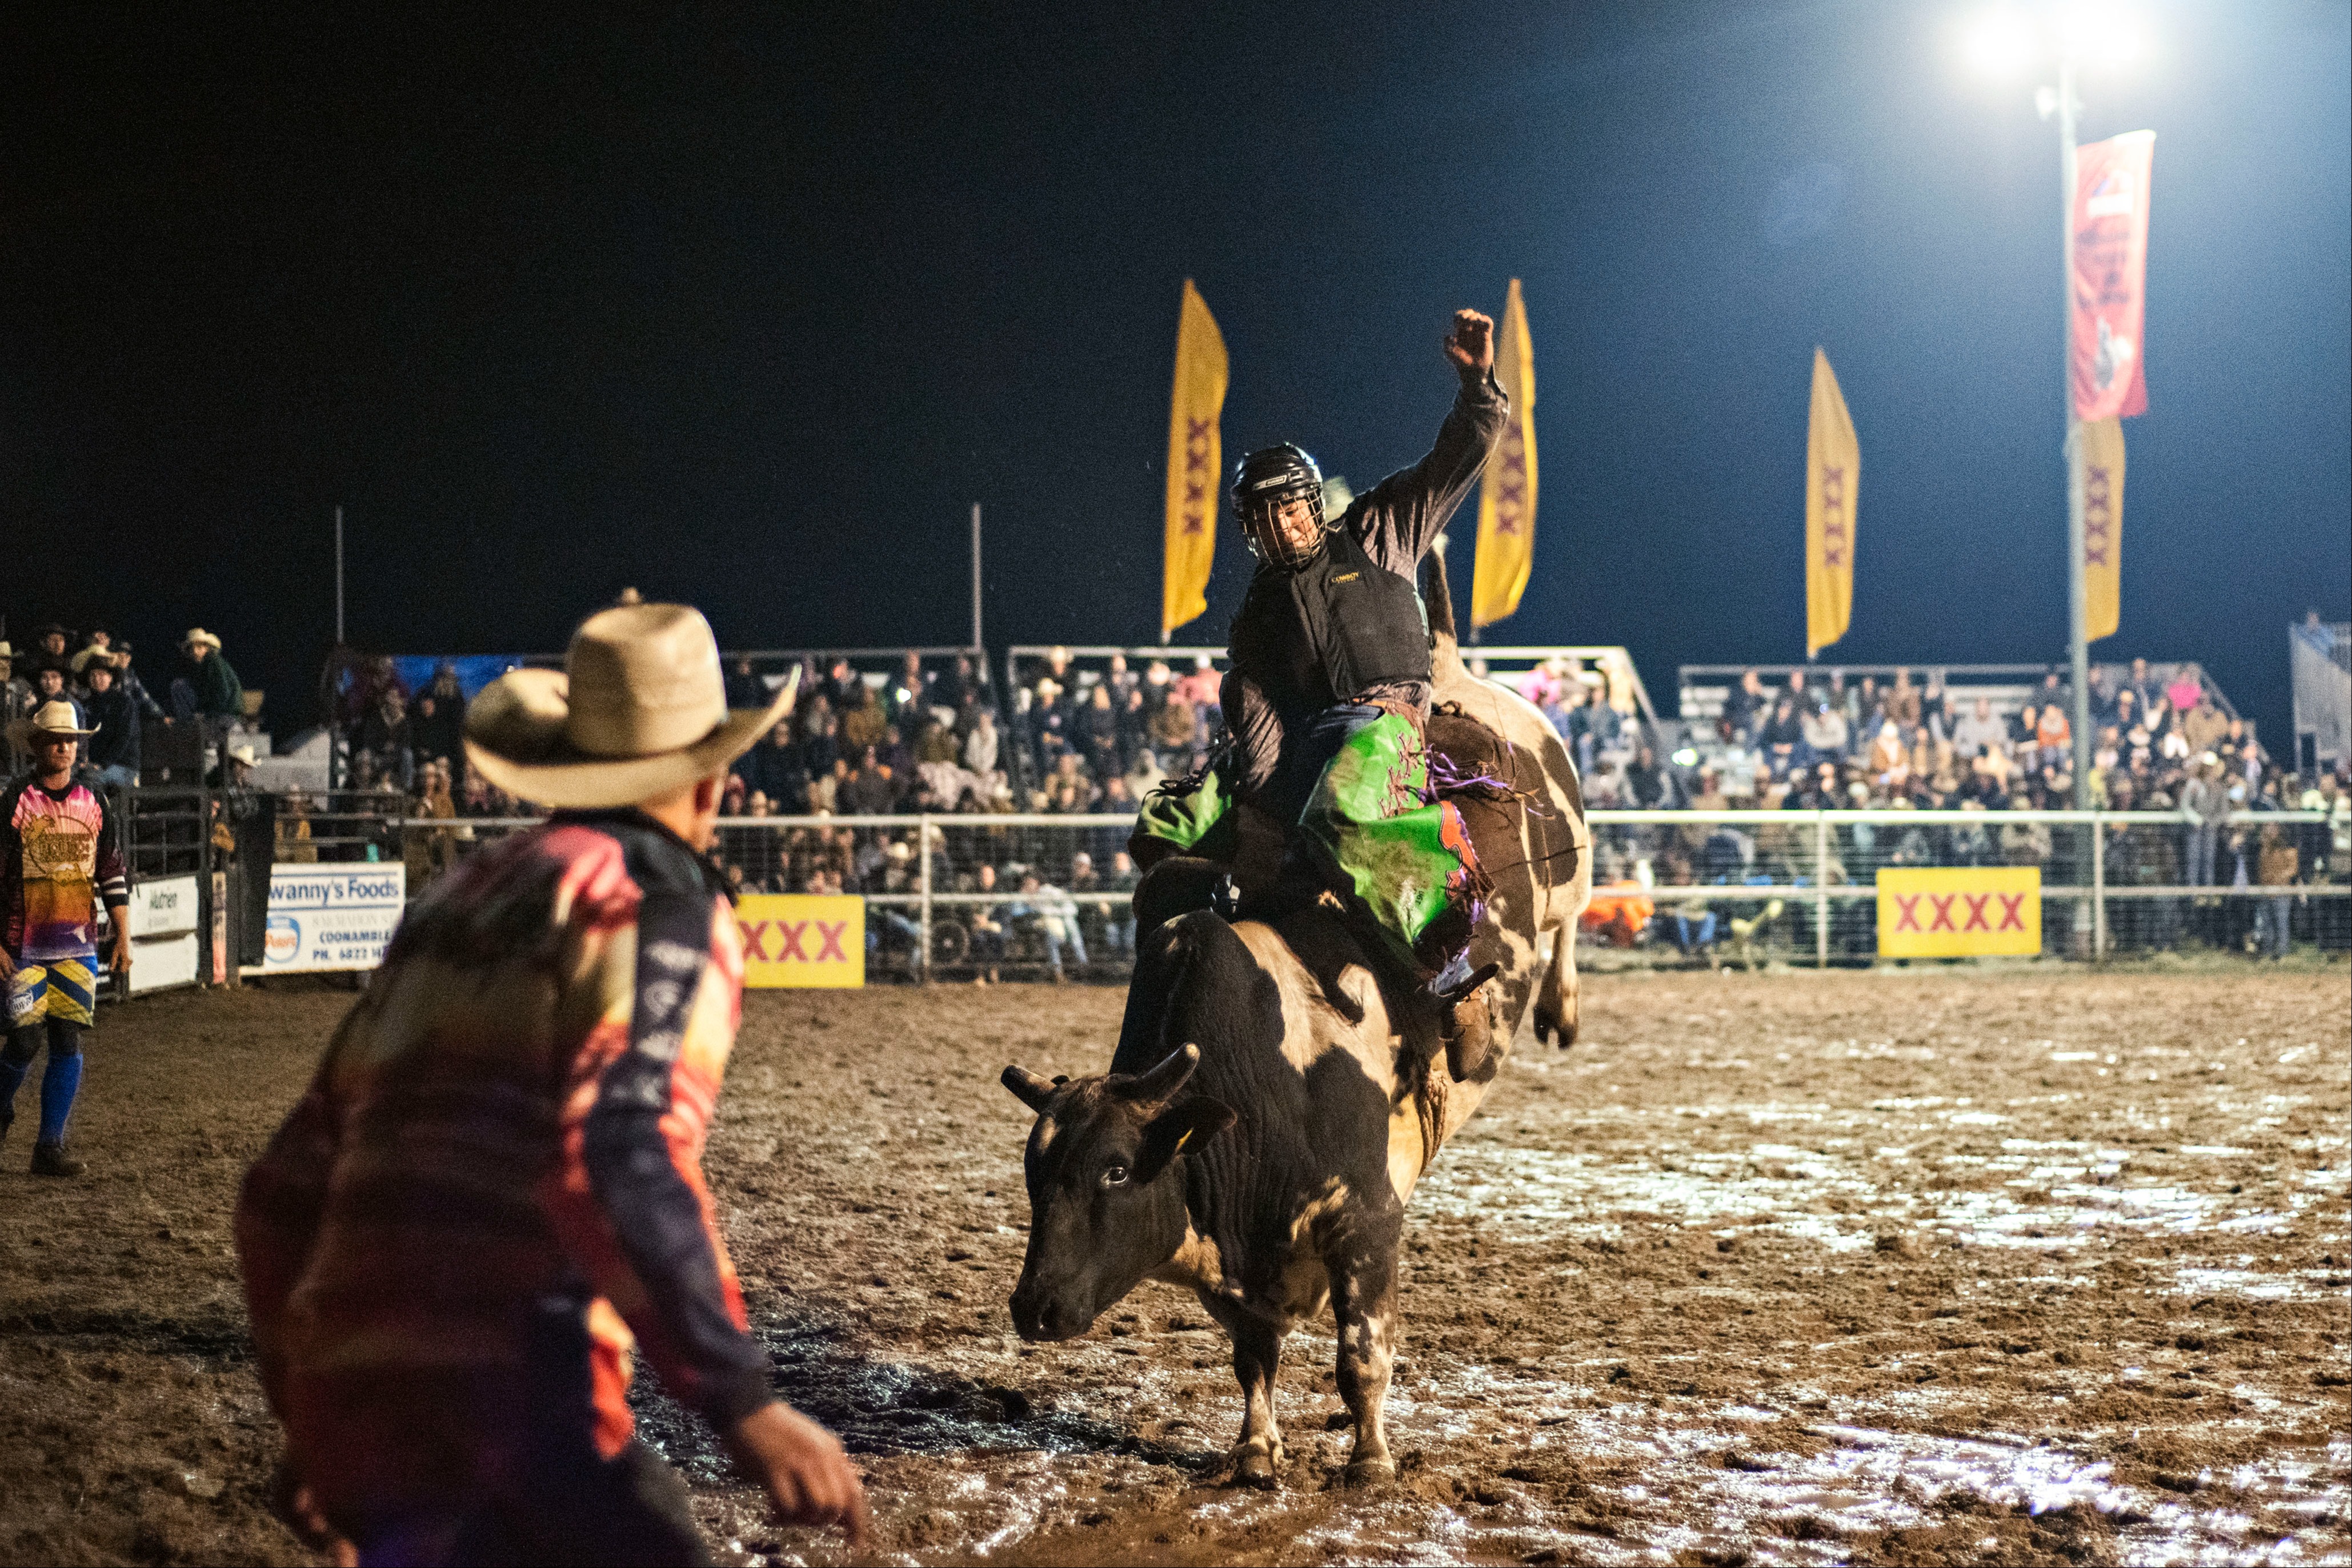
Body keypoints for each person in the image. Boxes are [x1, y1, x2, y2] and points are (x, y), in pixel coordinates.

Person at [231, 605, 862, 1564]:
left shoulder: (456, 898)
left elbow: (279, 1193)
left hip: (357, 1402)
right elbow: (619, 1146)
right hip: (516, 1391)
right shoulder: (653, 903)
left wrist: (313, 1417)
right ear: (713, 782)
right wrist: (743, 1400)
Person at [0, 701, 133, 1176]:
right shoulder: (16, 800)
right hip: (23, 943)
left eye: (71, 739)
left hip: (76, 942)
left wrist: (122, 934)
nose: (64, 745)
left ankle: (49, 1145)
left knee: (65, 1038)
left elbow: (111, 869)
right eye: (56, 738)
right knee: (23, 1039)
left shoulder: (95, 802)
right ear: (38, 746)